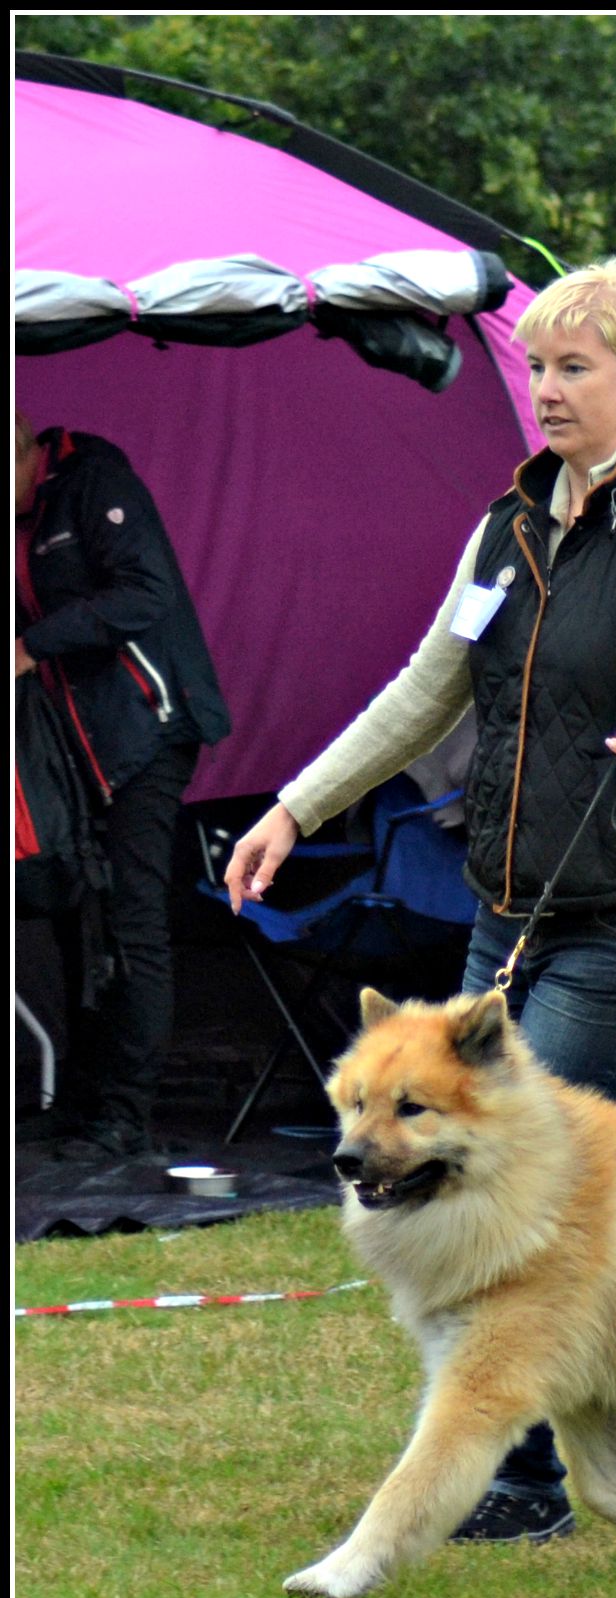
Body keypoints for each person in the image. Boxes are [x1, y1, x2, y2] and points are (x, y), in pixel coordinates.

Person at [224, 257, 616, 1542]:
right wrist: (296, 807)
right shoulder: (505, 526)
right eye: (537, 368)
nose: (548, 391)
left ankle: (520, 1476)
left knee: (502, 1174)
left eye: (576, 368)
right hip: (508, 916)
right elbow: (425, 693)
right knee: (581, 1187)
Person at [15, 411, 232, 1159]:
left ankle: (126, 1115)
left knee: (135, 918)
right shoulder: (24, 520)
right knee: (83, 913)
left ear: (21, 452)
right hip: (78, 745)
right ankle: (81, 1098)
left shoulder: (94, 483)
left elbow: (146, 592)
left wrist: (31, 645)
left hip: (151, 730)